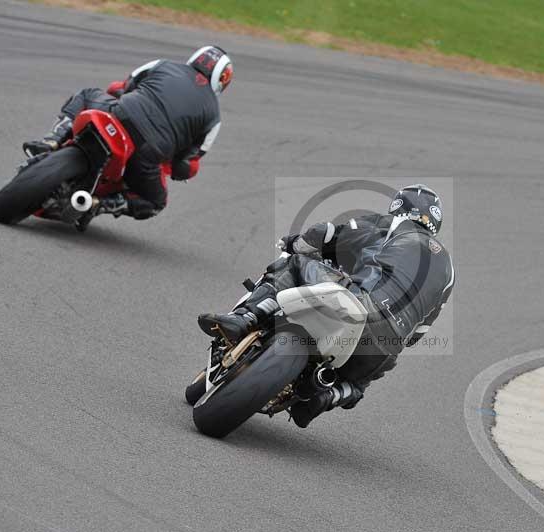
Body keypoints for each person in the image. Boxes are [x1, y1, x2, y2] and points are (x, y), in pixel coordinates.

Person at [198, 184, 455, 428]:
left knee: (296, 264)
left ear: (398, 205)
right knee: (360, 382)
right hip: (389, 343)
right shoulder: (448, 270)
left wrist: (294, 244)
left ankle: (245, 318)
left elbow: (326, 234)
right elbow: (418, 334)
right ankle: (326, 397)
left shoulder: (391, 225)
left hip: (360, 301)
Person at [23, 46, 232, 220]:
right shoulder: (214, 116)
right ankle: (99, 204)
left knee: (87, 94)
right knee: (155, 202)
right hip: (146, 153)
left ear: (195, 57)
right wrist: (178, 170)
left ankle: (52, 140)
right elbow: (187, 164)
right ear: (222, 80)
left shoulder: (162, 64)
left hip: (119, 115)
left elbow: (121, 87)